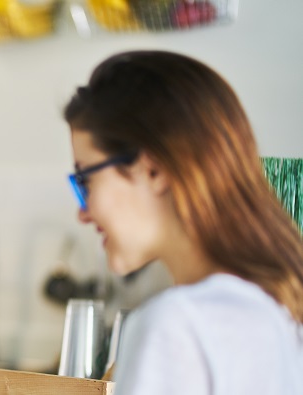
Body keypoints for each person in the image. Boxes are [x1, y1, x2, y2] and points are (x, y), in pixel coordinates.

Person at [64, 50, 303, 394]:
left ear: (154, 170)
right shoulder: (281, 312)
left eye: (85, 179)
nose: (82, 212)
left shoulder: (176, 326)